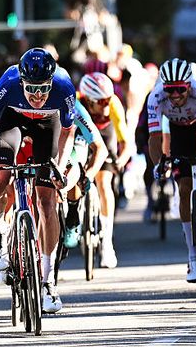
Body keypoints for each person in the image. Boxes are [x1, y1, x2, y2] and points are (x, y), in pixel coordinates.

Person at [0, 48, 78, 313]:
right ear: (22, 82)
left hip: (47, 126)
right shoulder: (8, 83)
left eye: (43, 89)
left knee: (46, 201)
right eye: (31, 89)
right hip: (13, 121)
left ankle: (48, 281)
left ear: (51, 83)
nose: (37, 96)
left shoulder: (64, 86)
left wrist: (61, 165)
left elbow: (68, 131)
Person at [146, 58, 196, 282]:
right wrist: (159, 164)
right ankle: (192, 256)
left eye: (180, 89)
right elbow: (155, 137)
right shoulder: (155, 97)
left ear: (190, 85)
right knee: (184, 189)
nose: (175, 95)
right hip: (178, 133)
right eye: (170, 89)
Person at [75, 71, 132, 268]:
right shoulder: (76, 102)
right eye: (102, 101)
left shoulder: (114, 103)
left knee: (104, 181)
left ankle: (107, 243)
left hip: (105, 135)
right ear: (89, 100)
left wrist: (121, 160)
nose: (107, 104)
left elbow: (125, 140)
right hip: (81, 134)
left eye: (108, 99)